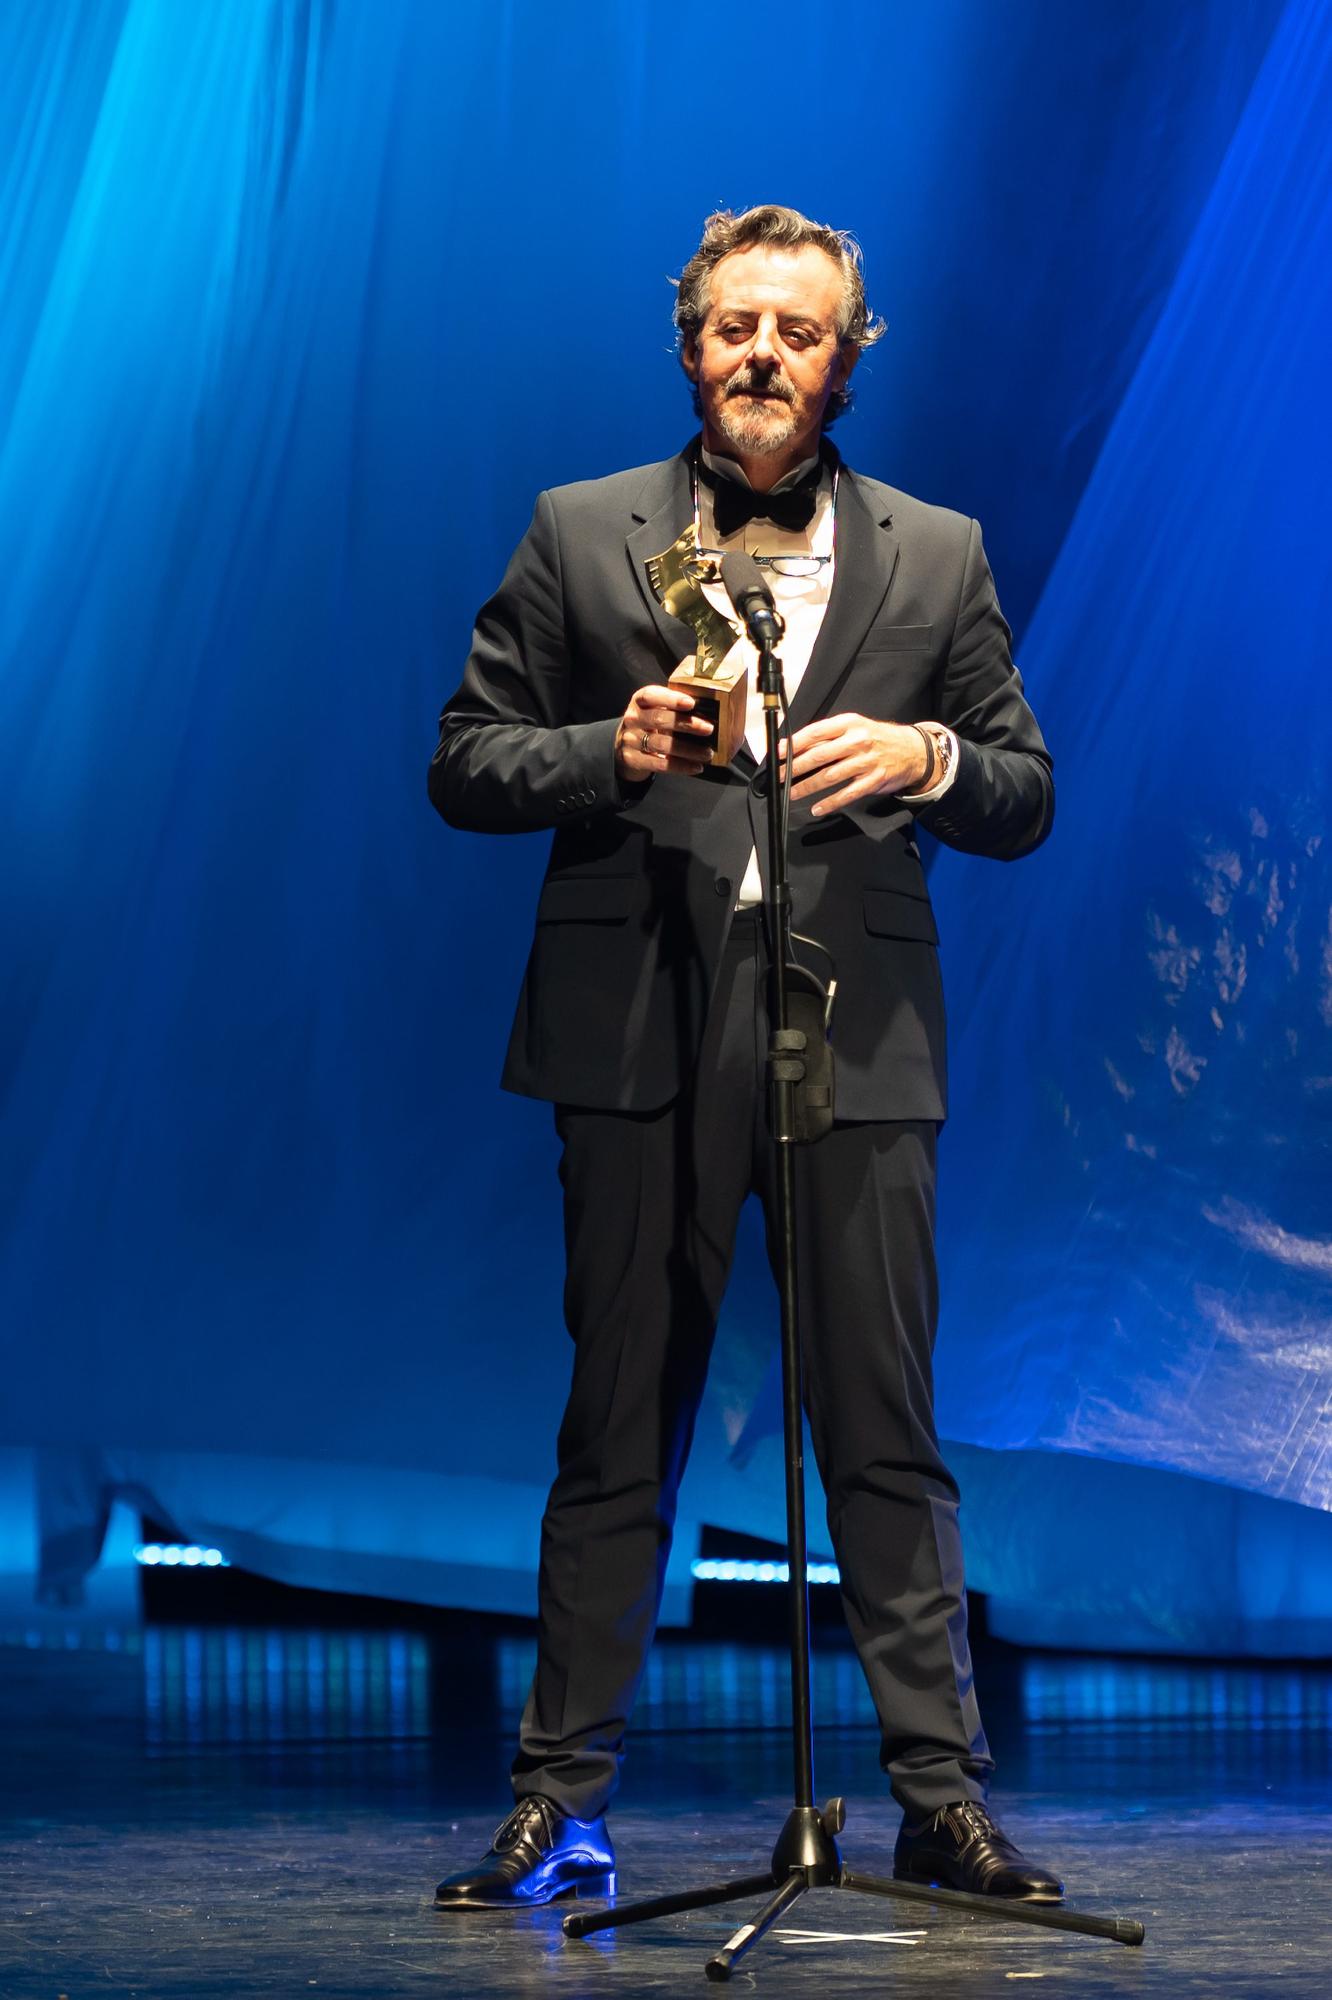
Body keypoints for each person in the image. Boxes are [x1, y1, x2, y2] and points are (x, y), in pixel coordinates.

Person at [429, 204, 1060, 1910]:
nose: (761, 355)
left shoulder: (936, 552)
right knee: (617, 1422)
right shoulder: (583, 534)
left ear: (851, 354)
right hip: (640, 1029)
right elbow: (465, 761)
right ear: (689, 346)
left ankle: (940, 1799)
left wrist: (929, 753)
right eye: (731, 326)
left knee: (882, 1426)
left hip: (852, 1042)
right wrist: (602, 747)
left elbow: (1025, 793)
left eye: (797, 328)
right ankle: (559, 1798)